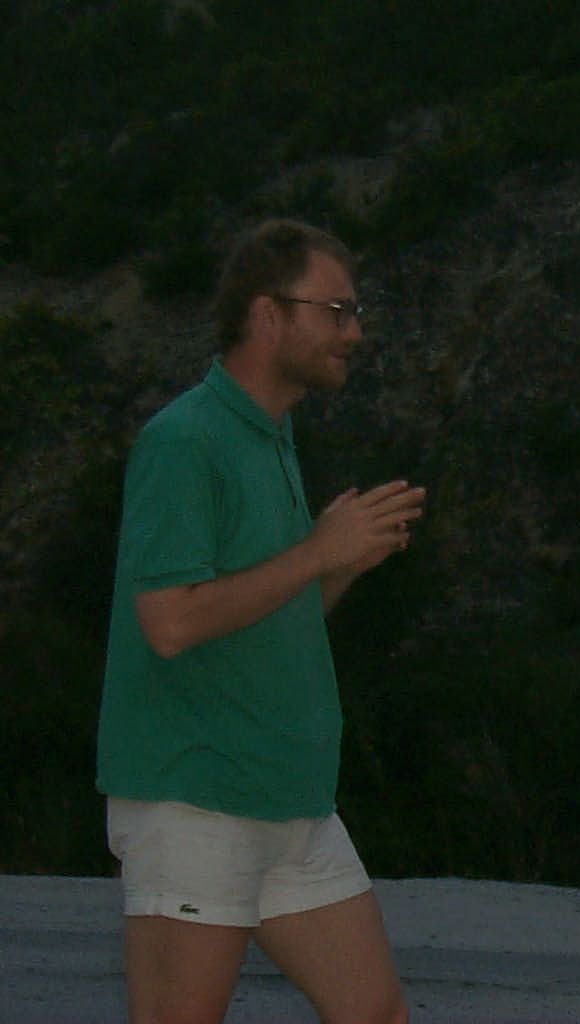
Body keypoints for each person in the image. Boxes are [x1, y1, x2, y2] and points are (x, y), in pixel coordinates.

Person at [97, 218, 426, 1024]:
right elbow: (169, 623)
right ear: (268, 315)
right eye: (336, 311)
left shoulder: (270, 437)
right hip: (197, 800)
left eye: (354, 312)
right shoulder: (185, 441)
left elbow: (269, 616)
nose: (354, 332)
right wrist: (317, 552)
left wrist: (338, 566)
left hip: (290, 800)